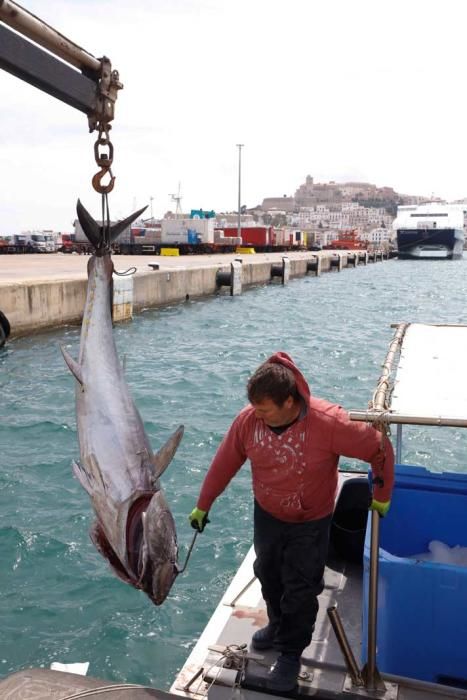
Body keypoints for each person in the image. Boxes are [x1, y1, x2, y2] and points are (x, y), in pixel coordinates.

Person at [189, 352, 394, 692]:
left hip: (310, 521)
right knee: (267, 574)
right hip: (268, 515)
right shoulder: (247, 421)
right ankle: (277, 623)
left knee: (300, 588)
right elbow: (225, 462)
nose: (258, 415)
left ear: (289, 401)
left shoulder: (329, 423)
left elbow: (379, 449)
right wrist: (203, 505)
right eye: (254, 408)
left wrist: (383, 493)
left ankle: (290, 655)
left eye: (265, 409)